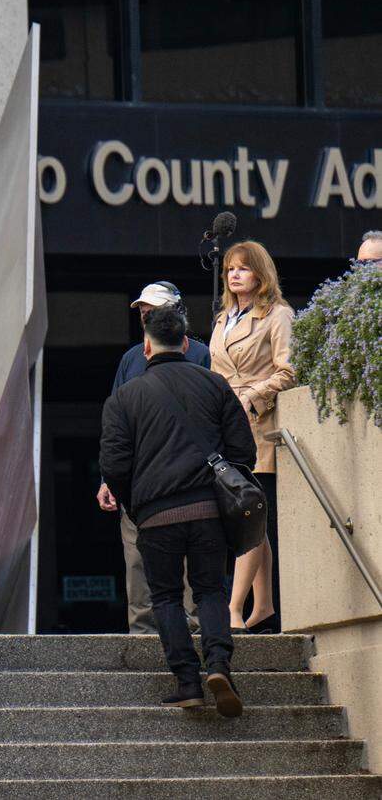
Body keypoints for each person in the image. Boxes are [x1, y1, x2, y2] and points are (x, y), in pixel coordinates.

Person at [100, 307, 256, 716]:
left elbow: (114, 464)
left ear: (146, 346)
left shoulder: (125, 397)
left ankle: (188, 682)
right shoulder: (215, 385)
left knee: (165, 597)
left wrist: (136, 503)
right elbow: (243, 452)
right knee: (210, 590)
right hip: (208, 511)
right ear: (187, 343)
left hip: (155, 515)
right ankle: (219, 665)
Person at [96, 281, 209, 634]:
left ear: (176, 313)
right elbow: (114, 420)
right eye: (143, 312)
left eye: (153, 311)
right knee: (135, 557)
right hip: (135, 475)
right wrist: (107, 478)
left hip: (186, 474)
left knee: (190, 555)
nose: (146, 317)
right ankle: (142, 630)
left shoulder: (200, 354)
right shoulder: (130, 358)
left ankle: (191, 625)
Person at [209, 241, 296, 635]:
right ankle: (262, 605)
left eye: (243, 268)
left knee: (249, 517)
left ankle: (233, 608)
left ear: (261, 273)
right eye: (230, 268)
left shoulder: (278, 315)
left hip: (257, 424)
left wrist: (251, 395)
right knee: (248, 518)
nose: (234, 274)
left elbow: (289, 371)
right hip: (225, 424)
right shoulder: (222, 317)